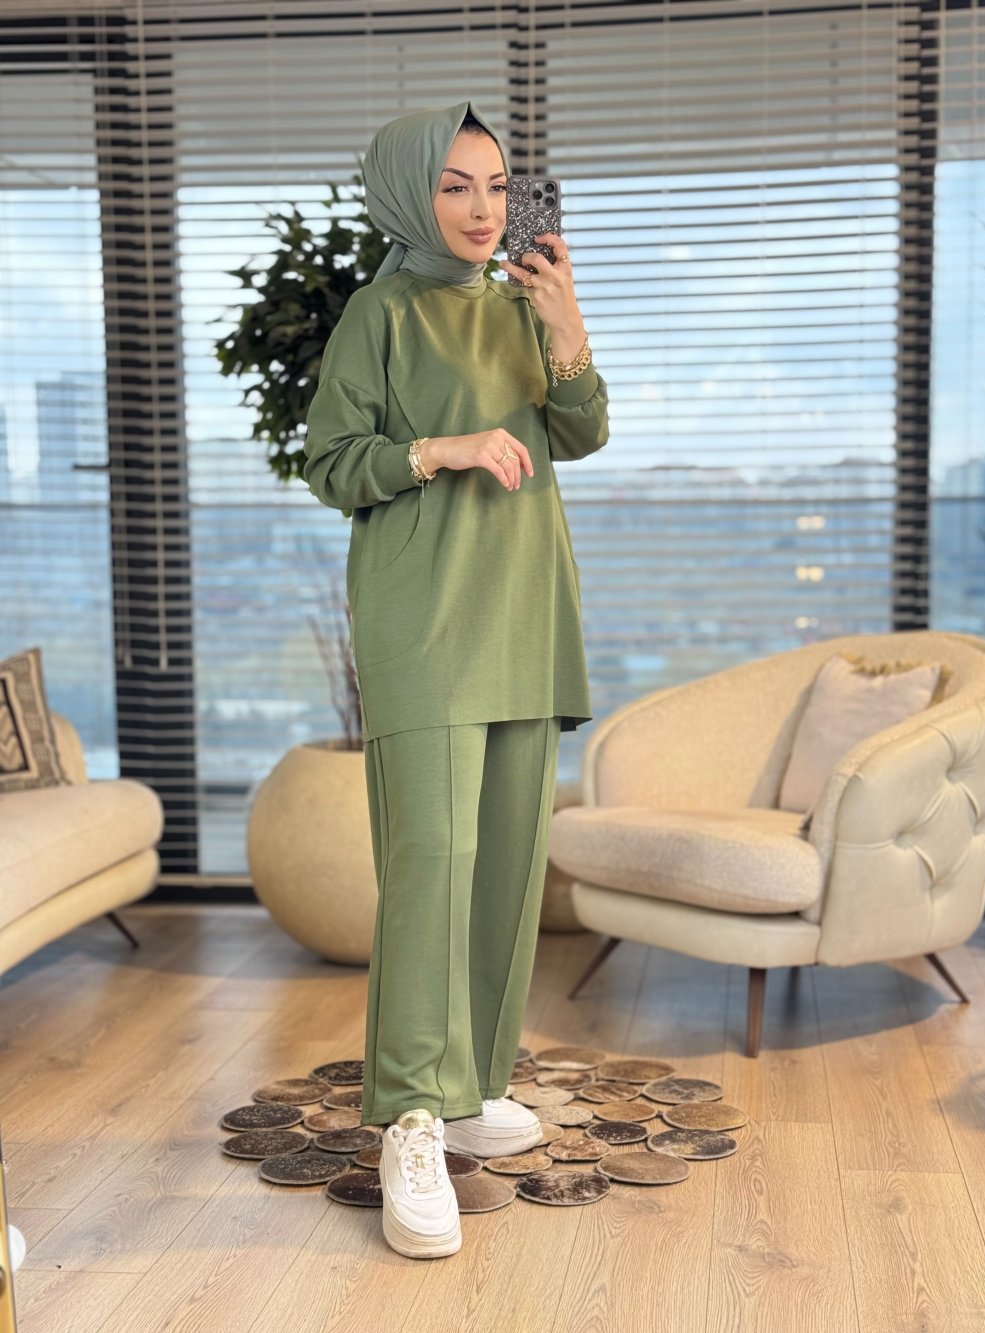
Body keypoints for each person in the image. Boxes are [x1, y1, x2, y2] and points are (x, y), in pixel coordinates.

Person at [302, 99, 609, 1259]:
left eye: (496, 185)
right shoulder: (377, 315)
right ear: (406, 191)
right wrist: (443, 449)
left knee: (506, 868)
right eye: (455, 185)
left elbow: (581, 431)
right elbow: (333, 462)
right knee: (431, 865)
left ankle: (472, 1085)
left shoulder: (519, 304)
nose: (483, 209)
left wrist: (564, 320)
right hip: (425, 620)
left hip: (525, 611)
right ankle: (409, 1120)